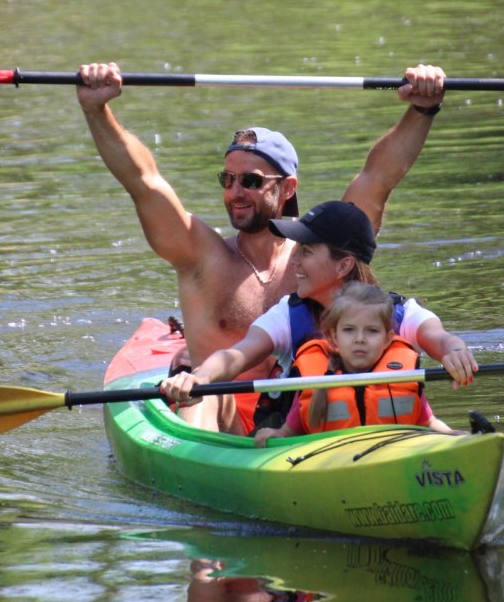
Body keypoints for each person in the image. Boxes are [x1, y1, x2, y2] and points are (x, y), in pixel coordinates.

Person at [77, 60, 450, 432]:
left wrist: (422, 108)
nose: (235, 192)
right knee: (214, 392)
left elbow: (378, 178)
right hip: (224, 426)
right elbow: (143, 182)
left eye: (251, 181)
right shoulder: (201, 255)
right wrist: (97, 108)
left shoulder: (323, 253)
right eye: (228, 179)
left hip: (311, 420)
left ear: (287, 188)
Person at [160, 200, 478, 433]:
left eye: (307, 252)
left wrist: (453, 350)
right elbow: (235, 356)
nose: (294, 261)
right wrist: (199, 377)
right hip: (298, 451)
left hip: (387, 446)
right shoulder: (289, 314)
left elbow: (438, 337)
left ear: (343, 266)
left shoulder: (398, 313)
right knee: (209, 399)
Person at [253, 281, 462, 446]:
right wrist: (275, 434)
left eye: (372, 331)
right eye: (349, 330)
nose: (360, 339)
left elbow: (428, 422)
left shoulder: (401, 377)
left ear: (388, 338)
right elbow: (290, 431)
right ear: (333, 337)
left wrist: (456, 437)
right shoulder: (315, 378)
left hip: (393, 457)